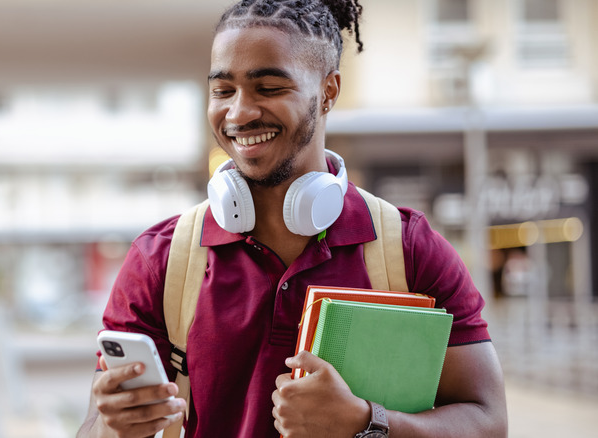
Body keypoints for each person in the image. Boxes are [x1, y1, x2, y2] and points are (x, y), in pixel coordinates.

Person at [77, 0, 508, 437]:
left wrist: (367, 423)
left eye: (268, 87)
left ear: (328, 92)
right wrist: (115, 428)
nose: (239, 113)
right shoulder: (162, 258)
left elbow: (488, 422)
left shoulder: (409, 248)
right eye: (223, 90)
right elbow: (93, 425)